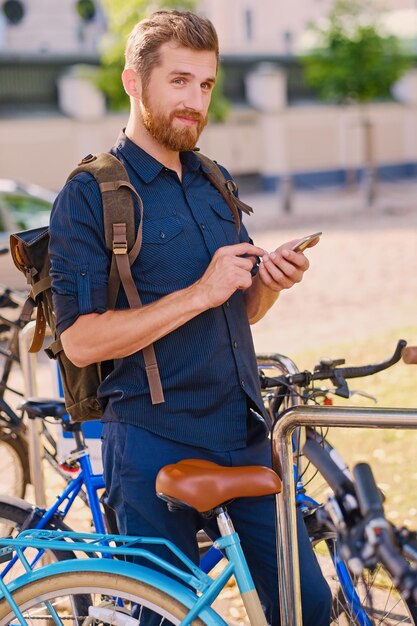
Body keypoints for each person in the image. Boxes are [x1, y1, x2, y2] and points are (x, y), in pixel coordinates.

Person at [49, 9, 331, 625]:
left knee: (307, 606)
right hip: (152, 440)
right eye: (178, 81)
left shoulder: (215, 181)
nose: (194, 101)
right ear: (133, 81)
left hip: (244, 429)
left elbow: (241, 310)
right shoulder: (90, 195)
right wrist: (202, 291)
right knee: (167, 617)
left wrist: (270, 285)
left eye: (205, 85)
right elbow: (81, 342)